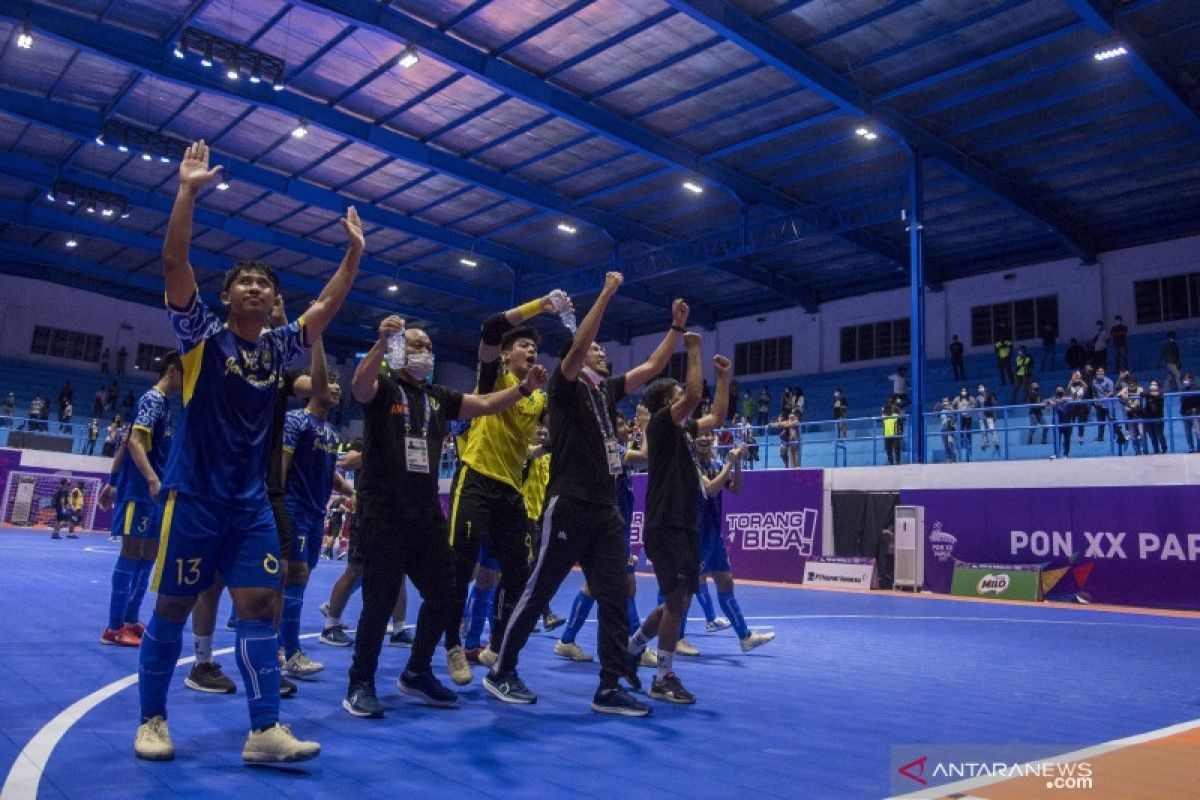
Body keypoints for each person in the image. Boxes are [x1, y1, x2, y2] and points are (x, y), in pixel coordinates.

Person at [134, 140, 359, 763]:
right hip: (196, 499)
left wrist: (354, 253)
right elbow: (175, 261)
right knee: (175, 608)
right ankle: (153, 719)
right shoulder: (201, 335)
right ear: (228, 298)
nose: (256, 288)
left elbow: (324, 310)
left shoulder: (277, 349)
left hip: (251, 504)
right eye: (245, 282)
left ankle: (263, 730)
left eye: (264, 283)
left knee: (260, 603)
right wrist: (186, 191)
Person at [484, 274, 685, 716]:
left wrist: (674, 329)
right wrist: (607, 294)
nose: (602, 353)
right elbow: (579, 346)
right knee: (538, 591)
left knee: (615, 595)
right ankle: (501, 669)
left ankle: (609, 685)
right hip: (569, 504)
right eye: (597, 349)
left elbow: (650, 370)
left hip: (605, 509)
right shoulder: (566, 383)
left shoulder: (604, 393)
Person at [343, 315, 548, 720]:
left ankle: (417, 670)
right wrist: (384, 344)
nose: (426, 353)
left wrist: (524, 389)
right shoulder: (385, 388)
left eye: (429, 348)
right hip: (384, 512)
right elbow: (359, 386)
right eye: (416, 345)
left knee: (445, 592)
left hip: (425, 516)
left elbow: (487, 403)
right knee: (380, 601)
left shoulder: (437, 396)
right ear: (400, 351)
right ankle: (360, 683)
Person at [441, 292, 570, 685]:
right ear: (506, 354)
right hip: (477, 476)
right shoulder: (493, 377)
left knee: (518, 575)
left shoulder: (539, 396)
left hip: (511, 491)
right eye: (524, 346)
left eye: (535, 348)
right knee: (460, 568)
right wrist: (540, 306)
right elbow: (492, 327)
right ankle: (452, 646)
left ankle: (497, 645)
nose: (531, 351)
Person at [624, 333, 730, 705]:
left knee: (677, 599)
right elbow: (695, 397)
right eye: (677, 395)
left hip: (680, 524)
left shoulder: (683, 430)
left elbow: (715, 415)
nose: (683, 398)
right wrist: (695, 351)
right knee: (677, 599)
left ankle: (632, 648)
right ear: (667, 403)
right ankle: (663, 676)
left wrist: (726, 380)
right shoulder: (661, 425)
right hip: (666, 522)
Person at [556, 406, 654, 666]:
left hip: (615, 526)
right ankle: (637, 646)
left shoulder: (615, 449)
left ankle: (567, 640)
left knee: (594, 586)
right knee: (626, 585)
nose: (625, 428)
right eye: (621, 424)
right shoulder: (611, 449)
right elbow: (645, 457)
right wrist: (644, 425)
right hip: (608, 528)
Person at [278, 359, 354, 681]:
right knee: (293, 574)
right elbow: (281, 466)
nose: (336, 387)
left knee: (301, 577)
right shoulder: (296, 421)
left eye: (338, 383)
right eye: (330, 382)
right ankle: (288, 650)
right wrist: (276, 507)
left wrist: (349, 490)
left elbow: (329, 471)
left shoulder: (331, 432)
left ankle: (283, 646)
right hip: (294, 508)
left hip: (315, 513)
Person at [100, 353, 182, 648]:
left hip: (152, 493)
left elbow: (125, 441)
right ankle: (113, 626)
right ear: (172, 371)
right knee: (132, 553)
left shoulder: (165, 405)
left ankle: (131, 619)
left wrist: (111, 482)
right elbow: (134, 442)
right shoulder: (152, 400)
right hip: (140, 490)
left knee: (148, 555)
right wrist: (150, 478)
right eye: (184, 375)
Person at [693, 430, 774, 654]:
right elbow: (709, 489)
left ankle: (745, 637)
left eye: (707, 435)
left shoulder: (717, 463)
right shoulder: (690, 464)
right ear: (692, 439)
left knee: (726, 582)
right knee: (686, 588)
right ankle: (677, 640)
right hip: (695, 534)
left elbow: (736, 490)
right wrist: (729, 463)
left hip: (714, 534)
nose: (704, 438)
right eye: (699, 435)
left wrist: (737, 464)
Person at [1142, 380, 1167, 454]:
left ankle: (1164, 448)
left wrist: (1152, 395)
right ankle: (1156, 450)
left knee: (1159, 434)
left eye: (1155, 384)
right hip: (1148, 417)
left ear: (1158, 386)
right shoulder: (1147, 393)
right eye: (1151, 384)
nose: (1153, 386)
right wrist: (1151, 394)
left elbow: (1159, 396)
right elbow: (1142, 393)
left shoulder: (1161, 393)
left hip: (1158, 417)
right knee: (1152, 435)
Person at [1091, 367, 1115, 442]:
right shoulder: (1094, 382)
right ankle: (1100, 437)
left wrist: (1104, 398)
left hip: (1108, 405)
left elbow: (1111, 392)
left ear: (1104, 373)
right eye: (1098, 372)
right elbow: (1094, 392)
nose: (1100, 373)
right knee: (1100, 422)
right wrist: (1095, 400)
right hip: (1099, 405)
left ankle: (1114, 437)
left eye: (1101, 372)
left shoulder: (1109, 381)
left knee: (1111, 421)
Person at [1180, 374, 1200, 453]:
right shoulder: (1183, 389)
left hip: (1195, 412)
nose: (1186, 380)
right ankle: (1191, 448)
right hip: (1185, 413)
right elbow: (1182, 401)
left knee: (1197, 431)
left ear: (1192, 380)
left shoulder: (1197, 388)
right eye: (1185, 379)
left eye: (1188, 379)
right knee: (1187, 432)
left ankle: (1199, 448)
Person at [937, 398, 957, 462]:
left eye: (946, 401)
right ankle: (948, 458)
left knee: (950, 442)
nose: (945, 403)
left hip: (950, 428)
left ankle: (953, 456)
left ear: (948, 402)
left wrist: (949, 409)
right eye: (944, 402)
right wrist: (937, 407)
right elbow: (935, 416)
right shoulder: (941, 411)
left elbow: (954, 418)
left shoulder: (951, 409)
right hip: (943, 429)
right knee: (945, 444)